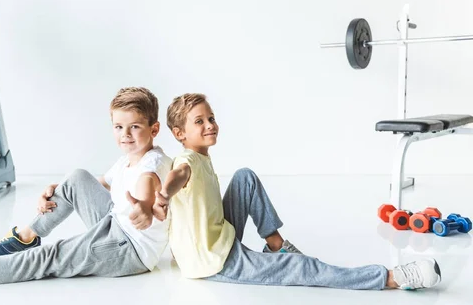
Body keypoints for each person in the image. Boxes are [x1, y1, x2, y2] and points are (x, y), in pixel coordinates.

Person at [143, 93, 441, 290]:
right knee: (304, 267)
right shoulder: (187, 162)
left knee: (244, 177)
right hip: (215, 261)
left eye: (211, 118)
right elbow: (178, 176)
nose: (210, 125)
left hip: (216, 236)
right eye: (200, 122)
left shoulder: (202, 156)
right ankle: (391, 279)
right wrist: (164, 196)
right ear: (180, 133)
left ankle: (276, 244)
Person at [0, 87, 173, 286]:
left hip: (128, 250)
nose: (125, 135)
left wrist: (146, 208)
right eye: (118, 127)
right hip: (115, 225)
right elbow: (96, 184)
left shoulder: (152, 166)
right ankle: (26, 235)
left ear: (154, 129)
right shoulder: (131, 159)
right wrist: (59, 189)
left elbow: (148, 188)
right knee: (76, 176)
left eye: (134, 127)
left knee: (49, 257)